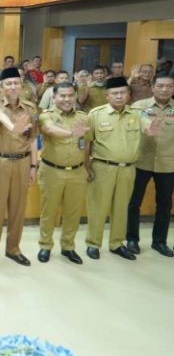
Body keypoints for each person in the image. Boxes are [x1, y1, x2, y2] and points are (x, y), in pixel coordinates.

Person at [85, 76, 161, 260]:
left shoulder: (137, 114)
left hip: (128, 169)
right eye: (115, 93)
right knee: (98, 207)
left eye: (122, 92)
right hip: (103, 167)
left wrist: (152, 130)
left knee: (122, 208)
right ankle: (93, 243)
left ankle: (117, 243)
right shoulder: (96, 114)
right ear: (107, 95)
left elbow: (148, 128)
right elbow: (87, 143)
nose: (119, 96)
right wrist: (86, 167)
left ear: (128, 94)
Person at [0, 67, 39, 266]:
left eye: (16, 83)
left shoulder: (30, 108)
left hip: (23, 162)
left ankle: (13, 249)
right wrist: (12, 127)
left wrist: (34, 166)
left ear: (21, 85)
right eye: (9, 83)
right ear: (1, 86)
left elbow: (32, 139)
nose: (13, 87)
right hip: (0, 161)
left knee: (18, 208)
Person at [36, 82, 91, 264]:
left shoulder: (83, 117)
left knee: (73, 212)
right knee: (49, 211)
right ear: (54, 97)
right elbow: (50, 130)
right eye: (62, 96)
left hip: (77, 172)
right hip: (52, 170)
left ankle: (68, 247)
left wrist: (87, 166)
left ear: (75, 96)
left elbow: (87, 143)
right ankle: (45, 245)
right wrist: (70, 133)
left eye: (70, 95)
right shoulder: (46, 116)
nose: (67, 99)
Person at [126, 73, 174, 257]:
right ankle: (132, 239)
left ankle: (159, 241)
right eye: (160, 86)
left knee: (164, 204)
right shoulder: (139, 107)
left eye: (169, 86)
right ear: (152, 87)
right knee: (133, 203)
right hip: (141, 161)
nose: (164, 89)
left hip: (168, 163)